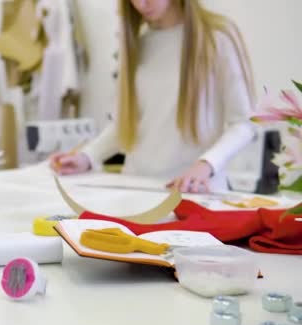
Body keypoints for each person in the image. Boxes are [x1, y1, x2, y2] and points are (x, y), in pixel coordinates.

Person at [50, 0, 257, 193]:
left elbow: (245, 123)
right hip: (137, 189)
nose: (141, 4)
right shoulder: (137, 45)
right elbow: (127, 124)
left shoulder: (217, 37)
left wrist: (207, 164)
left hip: (195, 192)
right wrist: (87, 156)